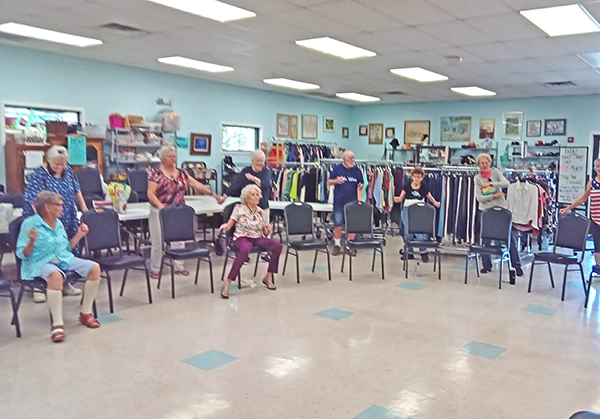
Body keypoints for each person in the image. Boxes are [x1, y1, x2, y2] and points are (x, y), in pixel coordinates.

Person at [16, 191, 101, 342]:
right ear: (48, 207)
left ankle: (85, 313)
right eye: (60, 205)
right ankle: (57, 324)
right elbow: (22, 254)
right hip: (39, 262)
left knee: (94, 268)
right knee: (55, 276)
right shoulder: (29, 224)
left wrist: (79, 236)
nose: (63, 208)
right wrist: (31, 242)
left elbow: (66, 249)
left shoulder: (58, 223)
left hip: (62, 259)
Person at [23, 145, 87, 302]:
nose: (60, 166)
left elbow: (76, 190)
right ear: (48, 160)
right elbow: (33, 201)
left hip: (67, 216)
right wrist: (41, 221)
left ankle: (65, 283)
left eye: (63, 163)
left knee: (65, 250)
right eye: (56, 163)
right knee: (43, 251)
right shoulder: (39, 175)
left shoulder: (68, 171)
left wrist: (84, 208)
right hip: (45, 219)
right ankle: (38, 286)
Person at [147, 146, 220, 279]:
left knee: (179, 240)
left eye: (174, 156)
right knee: (158, 242)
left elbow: (196, 184)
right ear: (163, 158)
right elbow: (150, 193)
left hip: (177, 211)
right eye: (170, 156)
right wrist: (161, 207)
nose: (173, 158)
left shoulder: (182, 173)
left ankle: (179, 267)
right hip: (159, 211)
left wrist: (212, 193)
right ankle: (155, 268)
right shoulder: (155, 173)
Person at [219, 184, 282, 299]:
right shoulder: (239, 208)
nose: (256, 197)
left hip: (257, 237)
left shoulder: (260, 211)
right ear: (246, 198)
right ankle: (227, 283)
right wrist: (226, 226)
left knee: (277, 246)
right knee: (245, 249)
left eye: (257, 195)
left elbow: (264, 232)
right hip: (241, 237)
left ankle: (268, 277)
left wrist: (267, 230)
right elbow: (230, 223)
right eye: (253, 195)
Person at [474, 153, 522, 276]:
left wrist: (491, 185)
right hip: (486, 211)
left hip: (501, 210)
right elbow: (479, 198)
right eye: (482, 163)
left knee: (508, 238)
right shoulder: (477, 178)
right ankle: (487, 265)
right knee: (485, 239)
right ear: (478, 165)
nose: (485, 165)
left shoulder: (495, 173)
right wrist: (493, 196)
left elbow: (506, 183)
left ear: (490, 163)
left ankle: (516, 265)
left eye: (487, 162)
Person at [393, 166, 440, 262]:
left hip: (420, 211)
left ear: (422, 177)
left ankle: (423, 252)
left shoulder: (424, 187)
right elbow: (401, 197)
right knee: (408, 232)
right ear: (412, 176)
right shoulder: (406, 186)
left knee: (420, 232)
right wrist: (396, 199)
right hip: (407, 210)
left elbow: (430, 197)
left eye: (419, 177)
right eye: (415, 176)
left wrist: (435, 202)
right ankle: (409, 252)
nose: (417, 179)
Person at [560, 158, 600, 265]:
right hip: (596, 219)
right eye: (598, 166)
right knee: (598, 248)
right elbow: (583, 199)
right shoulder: (592, 183)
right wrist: (567, 208)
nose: (599, 169)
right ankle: (599, 270)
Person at [217, 150, 271, 222]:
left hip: (262, 206)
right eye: (258, 161)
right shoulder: (245, 171)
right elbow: (235, 184)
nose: (260, 163)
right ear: (252, 161)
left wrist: (253, 178)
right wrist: (224, 197)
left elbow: (265, 184)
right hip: (247, 207)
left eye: (262, 161)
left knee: (264, 228)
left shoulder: (266, 172)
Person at [327, 150, 364, 255]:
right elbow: (328, 182)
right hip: (339, 202)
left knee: (351, 225)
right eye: (350, 158)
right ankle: (337, 245)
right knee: (338, 224)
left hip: (352, 203)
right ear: (344, 159)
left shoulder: (357, 171)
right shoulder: (337, 169)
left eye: (353, 158)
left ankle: (349, 245)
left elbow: (361, 184)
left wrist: (361, 187)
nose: (352, 160)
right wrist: (335, 181)